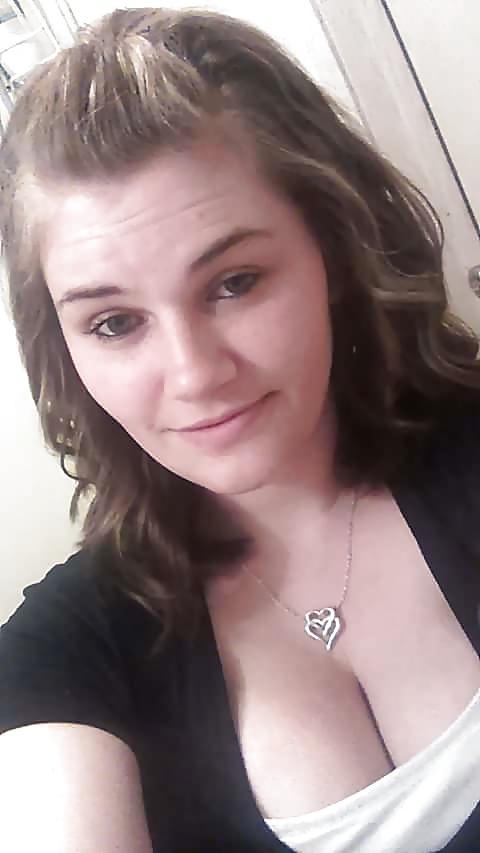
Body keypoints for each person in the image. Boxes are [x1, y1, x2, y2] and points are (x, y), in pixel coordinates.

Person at [0, 7, 479, 852]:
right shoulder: (72, 647)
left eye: (235, 282)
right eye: (115, 323)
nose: (194, 373)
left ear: (335, 253)